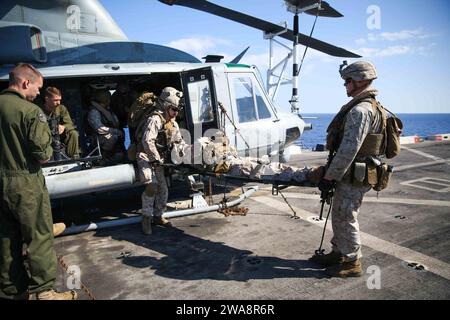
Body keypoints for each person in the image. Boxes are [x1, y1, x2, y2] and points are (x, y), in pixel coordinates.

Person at [0, 63, 77, 300]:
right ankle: (44, 292)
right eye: (37, 88)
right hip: (24, 183)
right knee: (39, 237)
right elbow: (43, 155)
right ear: (25, 83)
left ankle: (12, 290)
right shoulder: (31, 111)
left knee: (5, 238)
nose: (38, 94)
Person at [309, 61, 386, 278]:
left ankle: (352, 262)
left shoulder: (360, 110)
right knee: (340, 213)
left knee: (346, 216)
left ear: (360, 81)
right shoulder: (367, 105)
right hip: (353, 172)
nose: (345, 85)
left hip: (353, 174)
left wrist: (330, 176)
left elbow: (349, 149)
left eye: (348, 81)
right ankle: (339, 252)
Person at [136, 87, 188, 235]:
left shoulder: (173, 123)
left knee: (163, 190)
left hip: (159, 159)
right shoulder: (155, 119)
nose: (176, 113)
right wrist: (155, 159)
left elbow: (178, 141)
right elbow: (147, 141)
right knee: (152, 186)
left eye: (177, 110)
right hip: (146, 156)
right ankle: (146, 219)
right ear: (165, 106)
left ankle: (158, 216)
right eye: (173, 109)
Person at [87, 88, 125, 164]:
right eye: (108, 97)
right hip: (98, 138)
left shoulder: (108, 110)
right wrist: (116, 132)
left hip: (112, 137)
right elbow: (100, 129)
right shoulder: (94, 112)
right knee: (111, 138)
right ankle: (103, 158)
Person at [41, 86, 80, 159]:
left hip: (59, 135)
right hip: (45, 136)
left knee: (73, 133)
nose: (58, 103)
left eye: (59, 100)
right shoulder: (38, 110)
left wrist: (63, 126)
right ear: (47, 99)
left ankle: (74, 157)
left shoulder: (61, 108)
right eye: (55, 100)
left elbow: (70, 124)